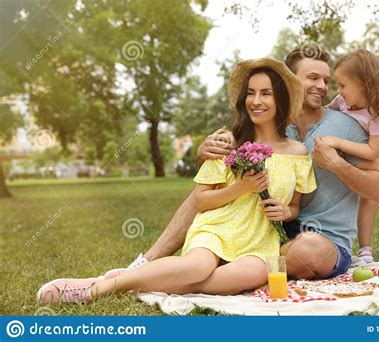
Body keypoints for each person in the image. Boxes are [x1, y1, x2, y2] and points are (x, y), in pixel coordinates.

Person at [37, 58, 317, 303]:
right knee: (196, 268)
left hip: (259, 241)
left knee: (248, 275)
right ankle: (100, 288)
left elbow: (294, 205)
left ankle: (135, 278)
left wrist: (286, 211)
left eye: (266, 93)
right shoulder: (228, 142)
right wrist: (241, 188)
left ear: (279, 99)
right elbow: (201, 200)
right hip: (216, 229)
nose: (256, 101)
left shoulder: (298, 153)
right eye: (251, 93)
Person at [100, 46, 379, 282]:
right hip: (265, 236)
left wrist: (337, 164)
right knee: (201, 193)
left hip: (322, 241)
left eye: (327, 80)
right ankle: (146, 262)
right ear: (288, 81)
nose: (323, 87)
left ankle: (196, 275)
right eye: (313, 77)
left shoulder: (347, 128)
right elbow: (224, 164)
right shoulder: (272, 125)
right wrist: (205, 152)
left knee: (307, 249)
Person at [321, 49, 379, 263]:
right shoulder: (342, 101)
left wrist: (340, 142)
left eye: (343, 85)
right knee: (368, 199)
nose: (338, 91)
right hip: (365, 149)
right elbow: (324, 113)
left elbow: (373, 151)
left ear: (363, 85)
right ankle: (365, 251)